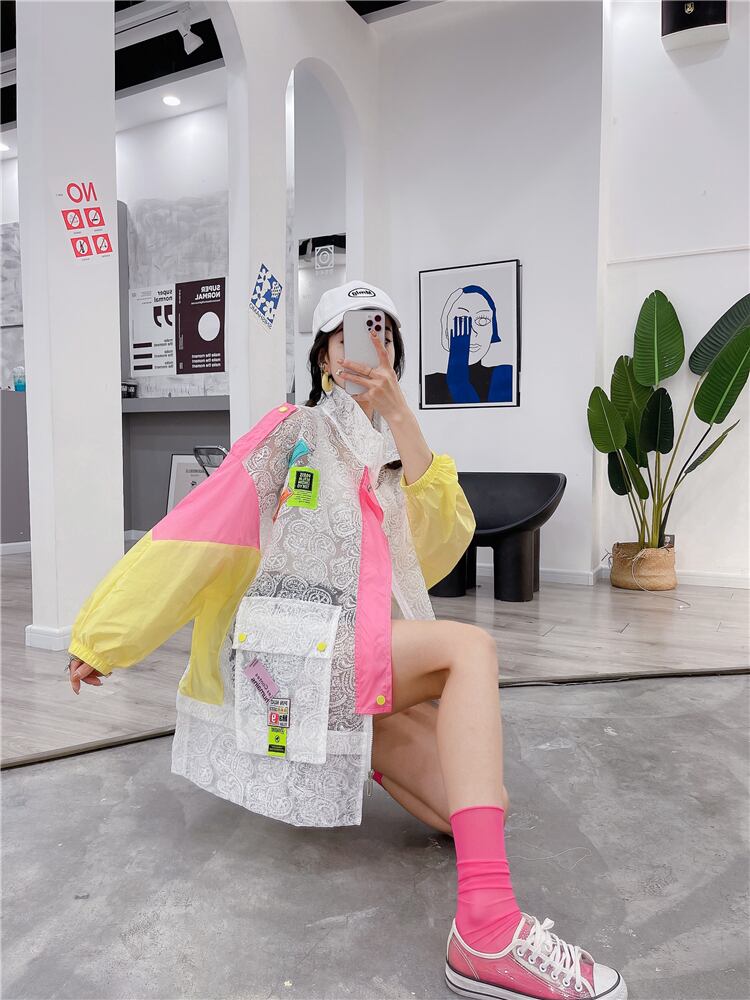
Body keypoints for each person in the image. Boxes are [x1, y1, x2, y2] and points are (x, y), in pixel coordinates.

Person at [67, 280, 627, 999]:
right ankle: (487, 930)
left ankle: (359, 742)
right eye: (354, 334)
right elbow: (201, 528)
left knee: (475, 811)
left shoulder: (389, 454)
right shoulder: (292, 430)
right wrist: (106, 635)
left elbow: (443, 536)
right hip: (292, 648)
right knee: (470, 650)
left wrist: (399, 413)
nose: (374, 345)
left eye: (385, 333)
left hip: (353, 646)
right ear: (326, 358)